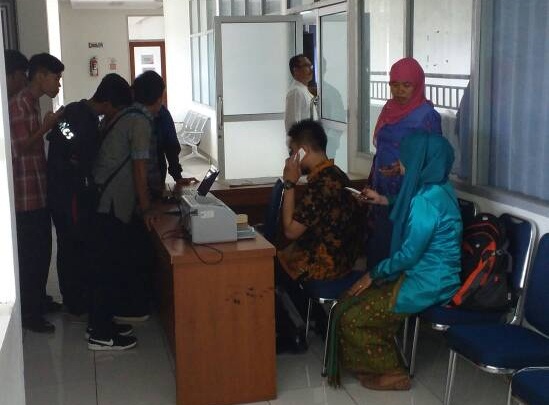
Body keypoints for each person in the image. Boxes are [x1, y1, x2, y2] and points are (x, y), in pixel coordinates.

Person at [326, 133, 462, 391]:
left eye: (405, 158)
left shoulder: (425, 201)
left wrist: (373, 273)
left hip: (429, 281)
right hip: (431, 274)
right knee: (352, 301)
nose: (400, 163)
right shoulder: (439, 187)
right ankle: (372, 362)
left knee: (353, 316)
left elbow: (409, 255)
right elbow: (409, 200)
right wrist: (382, 199)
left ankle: (391, 372)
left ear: (419, 160)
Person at [47, 73, 133, 317]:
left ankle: (73, 297)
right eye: (118, 109)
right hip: (70, 193)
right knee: (74, 245)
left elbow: (59, 137)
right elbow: (83, 157)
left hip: (60, 190)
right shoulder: (86, 121)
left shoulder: (74, 109)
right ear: (108, 103)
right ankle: (76, 302)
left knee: (68, 244)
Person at [276, 120, 365, 349]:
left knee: (267, 267)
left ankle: (292, 334)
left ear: (302, 151)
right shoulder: (335, 174)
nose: (290, 158)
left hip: (327, 264)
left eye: (292, 152)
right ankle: (316, 319)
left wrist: (289, 184)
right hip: (341, 257)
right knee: (278, 261)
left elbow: (290, 231)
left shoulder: (322, 185)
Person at [87, 74, 159, 350]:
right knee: (107, 268)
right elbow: (139, 169)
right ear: (159, 98)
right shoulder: (139, 122)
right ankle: (101, 334)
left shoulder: (123, 116)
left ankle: (100, 323)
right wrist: (147, 207)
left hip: (102, 201)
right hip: (112, 205)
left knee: (105, 266)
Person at [365, 57, 442, 269]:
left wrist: (405, 166)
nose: (399, 91)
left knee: (400, 249)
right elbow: (381, 150)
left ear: (417, 85)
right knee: (380, 247)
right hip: (382, 187)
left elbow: (435, 160)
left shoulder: (427, 116)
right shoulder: (389, 109)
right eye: (394, 84)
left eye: (406, 85)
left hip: (409, 192)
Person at [9, 53, 64, 333]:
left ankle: (39, 301)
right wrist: (46, 127)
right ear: (41, 75)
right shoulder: (19, 104)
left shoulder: (32, 102)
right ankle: (30, 314)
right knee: (31, 256)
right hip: (25, 196)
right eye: (56, 78)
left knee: (42, 251)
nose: (58, 84)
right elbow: (21, 146)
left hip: (38, 191)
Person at [155, 104, 198, 187]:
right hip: (154, 171)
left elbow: (171, 145)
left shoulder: (161, 112)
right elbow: (171, 145)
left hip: (154, 170)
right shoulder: (160, 111)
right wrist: (177, 176)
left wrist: (177, 176)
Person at [284, 55, 319, 132]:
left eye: (311, 66)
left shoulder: (303, 90)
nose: (311, 69)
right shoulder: (296, 92)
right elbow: (291, 125)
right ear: (296, 70)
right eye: (306, 66)